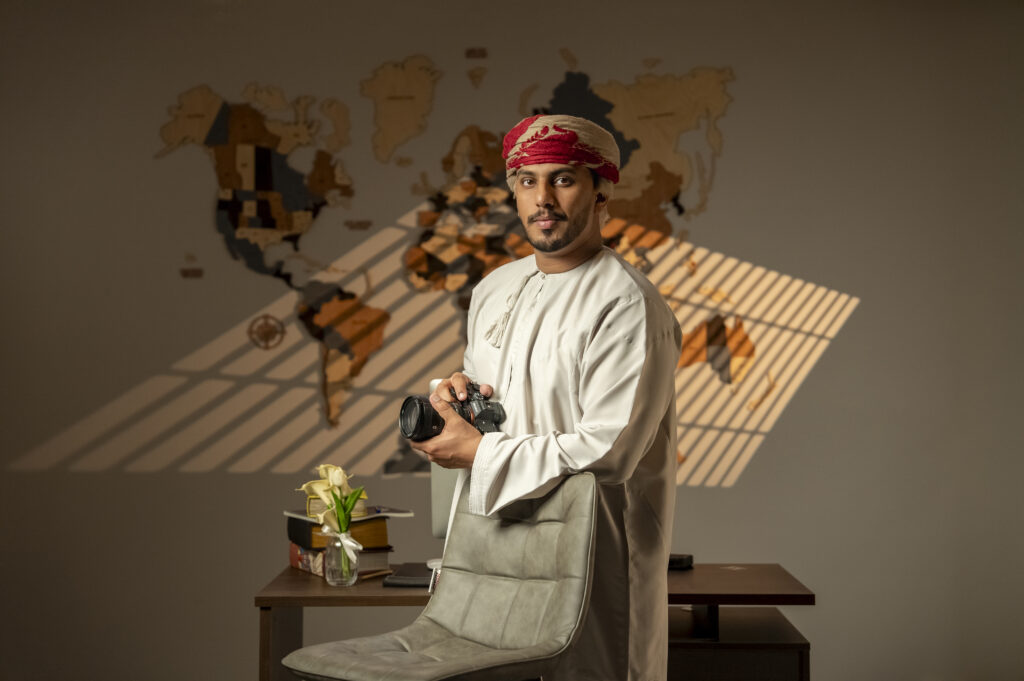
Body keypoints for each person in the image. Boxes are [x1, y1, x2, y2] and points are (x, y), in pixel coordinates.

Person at [412, 114, 682, 681]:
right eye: (527, 181)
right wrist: (453, 402)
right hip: (495, 554)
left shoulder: (626, 303)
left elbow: (610, 450)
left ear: (601, 191)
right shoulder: (494, 288)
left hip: (591, 558)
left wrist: (477, 452)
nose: (543, 199)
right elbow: (494, 400)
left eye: (563, 179)